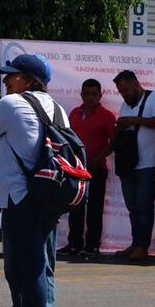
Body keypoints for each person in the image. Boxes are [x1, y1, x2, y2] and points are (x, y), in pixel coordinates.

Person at [0, 53, 68, 307]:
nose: (6, 81)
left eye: (12, 76)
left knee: (27, 269)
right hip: (49, 196)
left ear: (30, 80)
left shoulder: (11, 104)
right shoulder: (57, 108)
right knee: (42, 267)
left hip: (20, 197)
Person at [112, 70, 155, 261]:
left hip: (148, 163)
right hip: (128, 162)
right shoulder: (125, 105)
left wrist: (133, 120)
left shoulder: (154, 99)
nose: (124, 95)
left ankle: (143, 246)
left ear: (136, 84)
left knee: (144, 205)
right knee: (132, 206)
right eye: (121, 92)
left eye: (126, 90)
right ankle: (135, 243)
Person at [59, 79, 115, 259]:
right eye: (87, 93)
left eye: (94, 94)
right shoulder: (75, 113)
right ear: (81, 94)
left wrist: (98, 158)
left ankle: (92, 245)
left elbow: (113, 142)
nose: (90, 97)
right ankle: (74, 243)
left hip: (97, 168)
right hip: (75, 169)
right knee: (75, 206)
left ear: (100, 96)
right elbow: (67, 138)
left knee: (95, 209)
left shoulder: (106, 116)